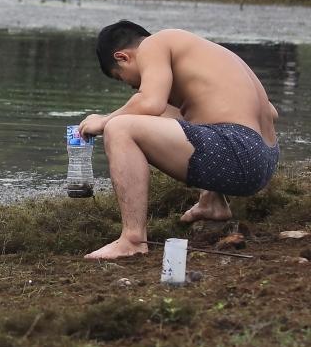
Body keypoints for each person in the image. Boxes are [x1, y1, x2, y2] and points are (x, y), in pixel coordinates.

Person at [78, 20, 279, 260]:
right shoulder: (205, 54)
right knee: (167, 114)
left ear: (122, 57)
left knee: (119, 128)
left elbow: (150, 102)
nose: (132, 86)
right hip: (265, 156)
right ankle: (212, 202)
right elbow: (271, 112)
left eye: (121, 78)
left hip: (240, 152)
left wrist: (104, 120)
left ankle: (132, 240)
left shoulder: (154, 44)